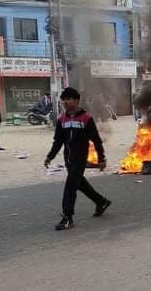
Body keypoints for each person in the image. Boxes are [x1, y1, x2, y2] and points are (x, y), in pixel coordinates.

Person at [44, 87, 111, 231]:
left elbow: (96, 140)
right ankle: (101, 201)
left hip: (80, 157)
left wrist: (101, 158)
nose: (65, 102)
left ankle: (67, 217)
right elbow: (58, 141)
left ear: (76, 100)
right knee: (79, 183)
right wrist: (50, 156)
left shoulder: (86, 118)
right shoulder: (62, 119)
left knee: (70, 186)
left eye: (69, 99)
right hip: (68, 157)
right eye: (64, 99)